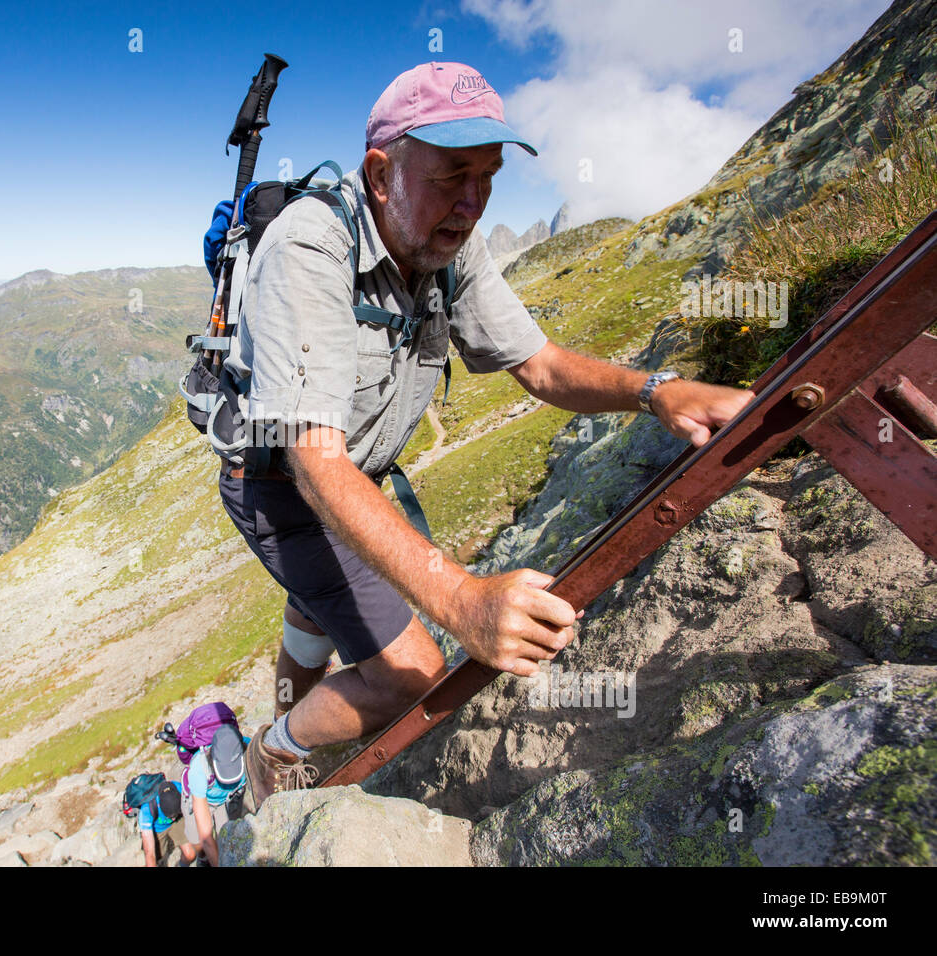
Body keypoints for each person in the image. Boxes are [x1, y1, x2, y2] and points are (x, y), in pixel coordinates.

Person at [218, 61, 755, 805]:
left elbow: (542, 367)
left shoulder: (447, 242)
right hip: (283, 484)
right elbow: (314, 467)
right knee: (412, 675)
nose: (472, 203)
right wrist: (464, 601)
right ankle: (271, 755)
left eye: (490, 177)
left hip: (351, 475)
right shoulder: (310, 248)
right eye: (451, 176)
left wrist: (657, 391)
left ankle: (289, 706)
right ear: (381, 173)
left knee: (318, 601)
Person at [178, 723, 250, 867]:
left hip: (225, 799)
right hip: (199, 798)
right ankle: (203, 859)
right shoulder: (199, 767)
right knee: (199, 843)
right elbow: (206, 837)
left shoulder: (247, 746)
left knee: (226, 839)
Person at [131, 777, 198, 867]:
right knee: (155, 860)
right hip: (157, 828)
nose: (172, 819)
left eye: (174, 815)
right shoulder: (147, 810)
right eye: (170, 816)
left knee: (190, 854)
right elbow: (149, 854)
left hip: (179, 820)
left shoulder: (179, 788)